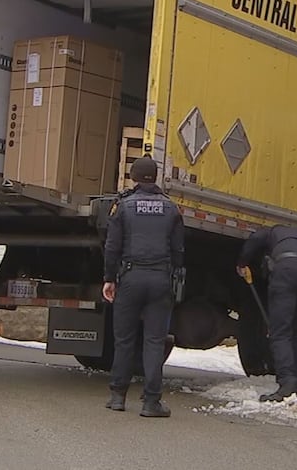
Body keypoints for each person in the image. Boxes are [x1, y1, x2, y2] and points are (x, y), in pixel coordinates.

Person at [102, 156, 185, 418]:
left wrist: (109, 278)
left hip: (130, 278)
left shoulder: (123, 207)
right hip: (160, 279)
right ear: (155, 176)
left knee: (124, 340)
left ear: (134, 177)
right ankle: (151, 402)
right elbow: (178, 250)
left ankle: (117, 396)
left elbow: (112, 247)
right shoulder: (171, 209)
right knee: (154, 341)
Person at [236, 224, 297, 402]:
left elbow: (255, 239)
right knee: (296, 329)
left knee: (280, 332)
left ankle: (287, 384)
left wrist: (242, 262)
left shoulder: (271, 231)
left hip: (286, 271)